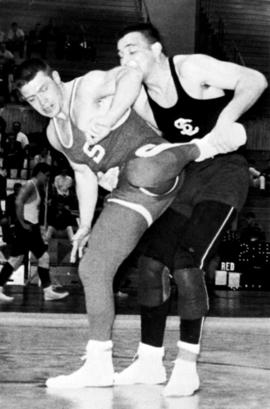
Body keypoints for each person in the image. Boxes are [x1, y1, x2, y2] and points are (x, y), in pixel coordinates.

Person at [13, 57, 246, 389]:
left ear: (56, 77)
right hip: (131, 192)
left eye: (44, 90)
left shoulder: (88, 86)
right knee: (93, 268)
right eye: (33, 99)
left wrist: (108, 119)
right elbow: (83, 173)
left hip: (163, 169)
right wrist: (85, 224)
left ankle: (202, 146)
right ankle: (99, 364)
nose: (43, 101)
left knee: (140, 171)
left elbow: (132, 73)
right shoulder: (54, 132)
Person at [112, 23, 268, 396]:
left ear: (156, 50)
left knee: (187, 261)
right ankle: (149, 362)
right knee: (150, 264)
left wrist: (226, 120)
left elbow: (256, 80)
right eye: (119, 54)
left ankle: (186, 366)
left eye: (131, 49)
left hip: (224, 175)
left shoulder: (190, 69)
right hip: (187, 176)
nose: (125, 58)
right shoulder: (140, 100)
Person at [0, 163, 69, 303]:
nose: (48, 179)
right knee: (22, 259)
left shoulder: (37, 187)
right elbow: (18, 202)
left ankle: (48, 290)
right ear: (40, 173)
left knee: (38, 258)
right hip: (26, 227)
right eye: (47, 176)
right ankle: (47, 290)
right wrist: (23, 223)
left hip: (32, 228)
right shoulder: (30, 185)